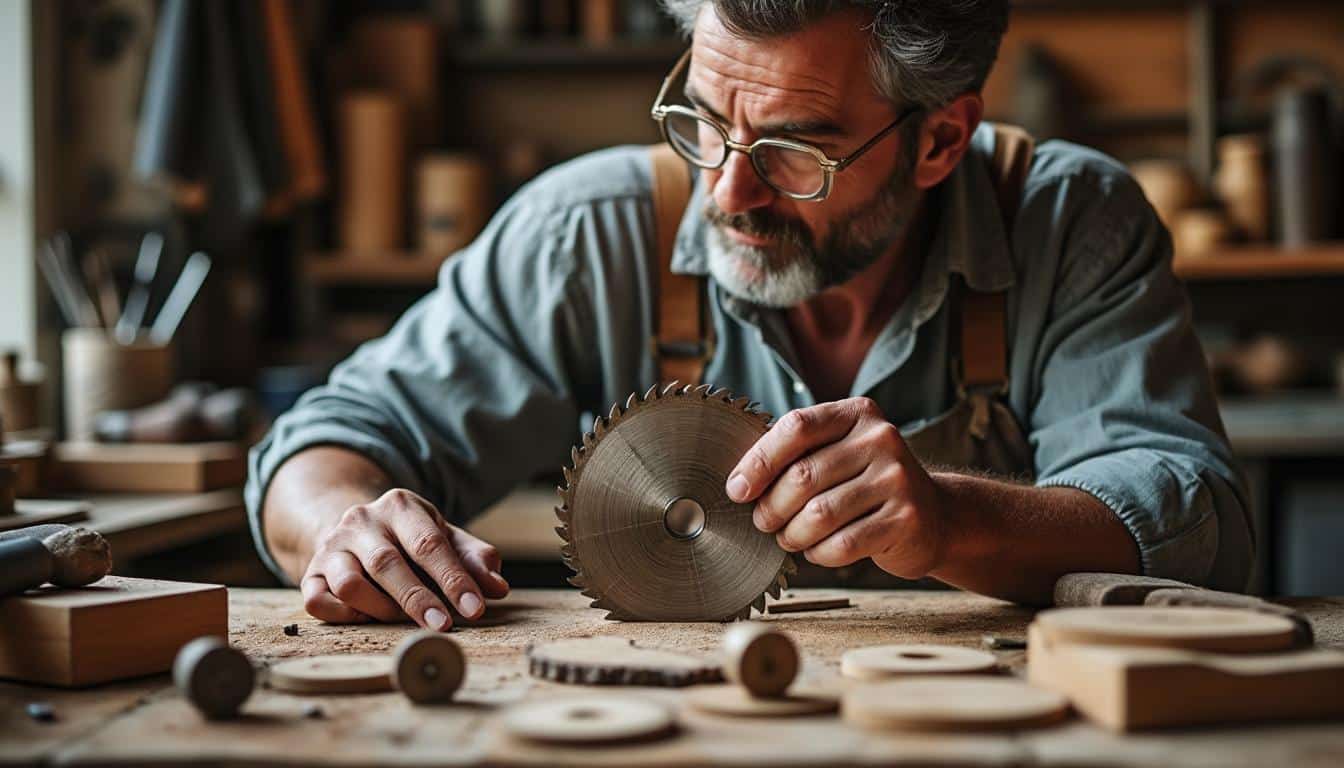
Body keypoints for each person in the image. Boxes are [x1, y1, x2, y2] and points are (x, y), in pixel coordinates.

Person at [247, 0, 1251, 632]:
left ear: (941, 142)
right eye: (705, 122)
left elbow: (1191, 515)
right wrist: (344, 524)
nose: (728, 194)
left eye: (793, 153)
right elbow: (328, 441)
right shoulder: (587, 234)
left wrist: (951, 521)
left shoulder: (1070, 220)